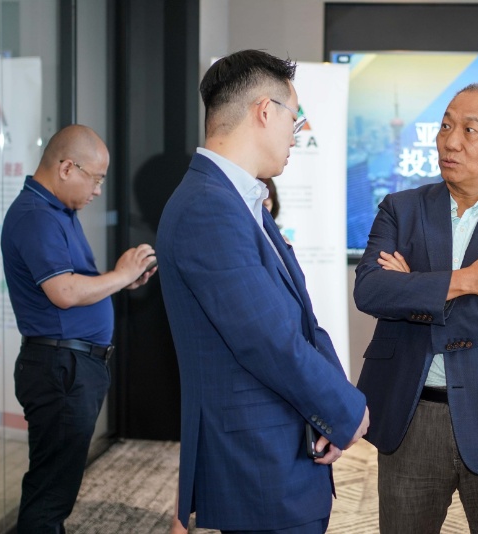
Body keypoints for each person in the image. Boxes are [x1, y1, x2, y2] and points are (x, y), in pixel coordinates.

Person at [157, 49, 369, 534]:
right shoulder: (207, 208)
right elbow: (267, 340)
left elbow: (300, 321)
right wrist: (345, 410)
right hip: (259, 464)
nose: (296, 133)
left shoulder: (241, 199)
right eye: (295, 117)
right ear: (265, 111)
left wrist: (332, 410)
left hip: (282, 450)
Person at [354, 82, 478, 533]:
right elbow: (370, 291)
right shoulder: (400, 209)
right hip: (411, 414)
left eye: (469, 130)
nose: (450, 141)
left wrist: (415, 292)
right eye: (445, 126)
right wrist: (468, 282)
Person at [1, 124, 158, 533]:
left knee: (55, 488)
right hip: (60, 368)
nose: (98, 191)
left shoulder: (57, 211)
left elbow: (75, 284)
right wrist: (120, 276)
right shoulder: (36, 216)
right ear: (67, 168)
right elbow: (65, 292)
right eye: (96, 179)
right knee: (50, 494)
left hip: (68, 366)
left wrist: (123, 281)